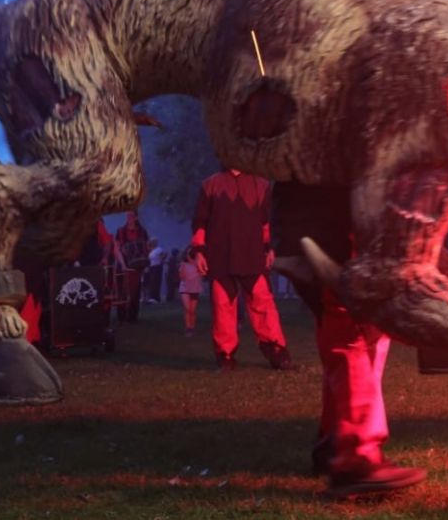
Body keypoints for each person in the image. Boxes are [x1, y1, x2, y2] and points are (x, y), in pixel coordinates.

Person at [270, 181, 425, 498]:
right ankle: (357, 455)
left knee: (369, 328)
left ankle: (334, 442)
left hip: (340, 227)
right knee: (350, 325)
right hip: (332, 231)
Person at [191, 169, 294, 370]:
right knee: (223, 305)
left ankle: (276, 349)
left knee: (262, 302)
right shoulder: (210, 185)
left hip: (252, 253)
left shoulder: (261, 184)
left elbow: (267, 222)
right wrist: (199, 252)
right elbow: (200, 222)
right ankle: (225, 355)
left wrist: (269, 247)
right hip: (221, 255)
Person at [177, 247, 204, 336]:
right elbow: (181, 277)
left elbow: (203, 274)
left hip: (195, 288)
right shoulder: (183, 264)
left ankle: (192, 327)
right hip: (185, 288)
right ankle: (188, 327)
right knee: (187, 308)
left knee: (192, 310)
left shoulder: (198, 264)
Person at [145, 238, 165, 304]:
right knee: (152, 282)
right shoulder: (151, 251)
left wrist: (160, 262)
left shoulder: (159, 249)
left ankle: (156, 297)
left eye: (153, 242)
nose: (152, 243)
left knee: (156, 282)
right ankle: (152, 297)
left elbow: (163, 256)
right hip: (152, 267)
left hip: (157, 267)